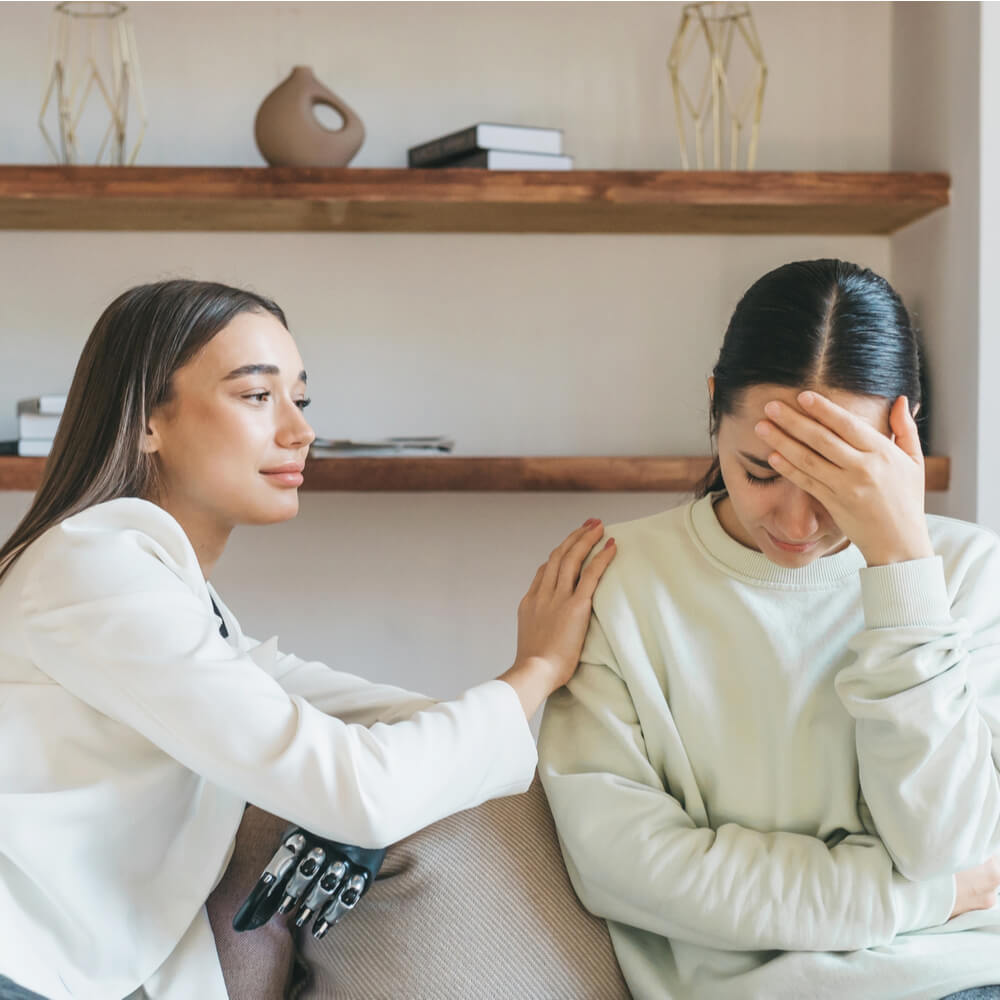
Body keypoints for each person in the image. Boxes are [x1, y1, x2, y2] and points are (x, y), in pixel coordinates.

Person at [0, 279, 616, 1000]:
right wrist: (536, 669)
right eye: (257, 397)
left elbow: (376, 729)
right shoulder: (94, 570)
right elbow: (356, 788)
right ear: (147, 422)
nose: (300, 430)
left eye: (302, 399)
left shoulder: (179, 599)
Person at [538, 259, 1000, 1000]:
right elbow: (625, 869)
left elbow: (945, 841)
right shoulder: (618, 580)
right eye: (760, 471)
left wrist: (902, 567)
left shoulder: (966, 572)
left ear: (898, 442)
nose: (796, 524)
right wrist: (919, 897)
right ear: (714, 408)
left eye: (836, 483)